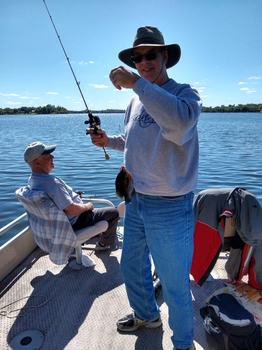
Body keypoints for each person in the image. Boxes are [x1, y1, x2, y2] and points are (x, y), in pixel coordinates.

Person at [88, 26, 202, 350]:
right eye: (138, 57)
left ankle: (183, 343)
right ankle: (146, 315)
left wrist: (136, 83)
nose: (144, 61)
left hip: (169, 206)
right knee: (130, 265)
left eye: (151, 54)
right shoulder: (135, 102)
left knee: (174, 283)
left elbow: (179, 125)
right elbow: (131, 140)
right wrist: (106, 141)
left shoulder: (185, 95)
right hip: (135, 201)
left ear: (165, 56)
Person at [23, 141, 119, 252]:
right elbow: (72, 210)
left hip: (54, 225)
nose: (53, 157)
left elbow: (57, 200)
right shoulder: (52, 184)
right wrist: (87, 206)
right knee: (113, 213)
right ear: (37, 162)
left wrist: (74, 196)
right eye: (48, 156)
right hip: (73, 222)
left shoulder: (33, 180)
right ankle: (104, 245)